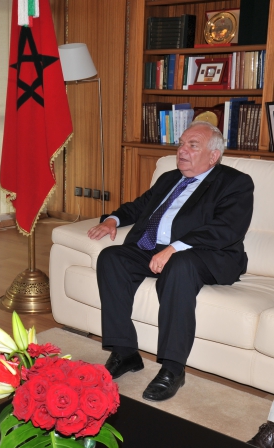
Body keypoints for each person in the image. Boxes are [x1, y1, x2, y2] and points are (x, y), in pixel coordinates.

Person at [87, 121, 254, 402]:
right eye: (181, 144)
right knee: (112, 257)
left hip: (206, 254)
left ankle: (173, 369)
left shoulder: (235, 183)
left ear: (213, 156)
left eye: (193, 145)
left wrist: (175, 248)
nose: (182, 150)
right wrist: (113, 220)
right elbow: (140, 206)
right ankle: (125, 352)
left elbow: (227, 229)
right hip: (155, 249)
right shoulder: (169, 178)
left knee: (179, 266)